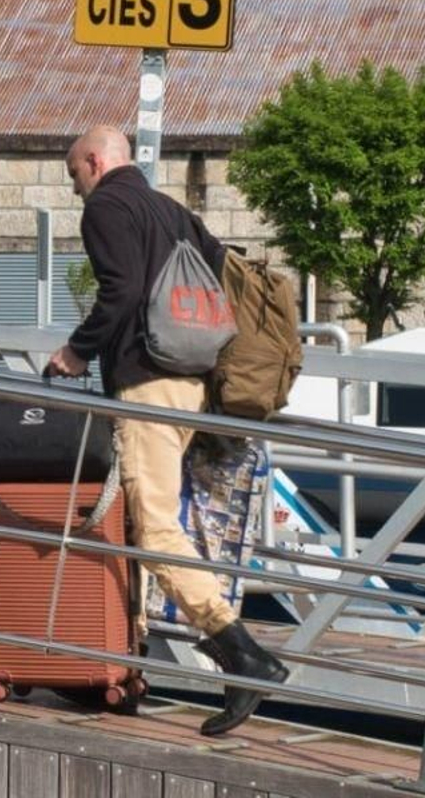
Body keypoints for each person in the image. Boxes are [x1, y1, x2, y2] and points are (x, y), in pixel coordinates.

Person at [45, 126, 288, 736]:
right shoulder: (173, 209)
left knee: (152, 524)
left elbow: (121, 290)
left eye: (75, 175)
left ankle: (240, 652)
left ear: (95, 163)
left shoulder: (106, 205)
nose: (77, 191)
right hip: (192, 380)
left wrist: (77, 352)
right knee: (135, 521)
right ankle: (124, 669)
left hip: (147, 382)